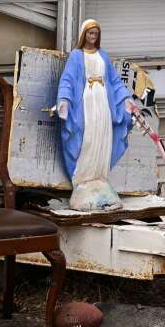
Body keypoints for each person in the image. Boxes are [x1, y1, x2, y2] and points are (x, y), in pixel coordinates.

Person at [56, 20, 136, 212]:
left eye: (96, 34)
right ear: (84, 34)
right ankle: (83, 180)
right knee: (88, 139)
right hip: (87, 104)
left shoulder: (103, 56)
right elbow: (67, 80)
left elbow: (115, 82)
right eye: (90, 33)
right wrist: (64, 100)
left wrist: (125, 99)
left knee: (103, 139)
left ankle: (99, 178)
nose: (93, 37)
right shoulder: (76, 56)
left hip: (103, 103)